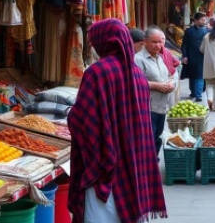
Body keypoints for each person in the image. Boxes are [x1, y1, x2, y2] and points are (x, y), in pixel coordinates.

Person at [68, 19, 166, 223]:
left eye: (94, 42)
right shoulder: (137, 74)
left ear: (105, 41)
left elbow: (82, 120)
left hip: (106, 165)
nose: (94, 46)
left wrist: (71, 114)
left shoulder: (96, 73)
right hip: (132, 161)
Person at [135, 28, 177, 156]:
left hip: (162, 107)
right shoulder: (138, 59)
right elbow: (135, 83)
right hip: (148, 108)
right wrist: (157, 86)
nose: (158, 45)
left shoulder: (159, 58)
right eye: (154, 42)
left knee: (157, 138)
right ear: (145, 42)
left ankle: (154, 165)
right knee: (148, 141)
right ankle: (148, 167)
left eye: (160, 42)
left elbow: (169, 76)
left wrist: (171, 83)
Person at [181, 12, 208, 101]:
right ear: (195, 20)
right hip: (191, 56)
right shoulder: (189, 31)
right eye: (202, 20)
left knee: (200, 76)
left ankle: (198, 95)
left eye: (204, 20)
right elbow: (184, 44)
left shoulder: (207, 31)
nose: (204, 21)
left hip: (203, 57)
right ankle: (193, 92)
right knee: (192, 75)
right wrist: (185, 56)